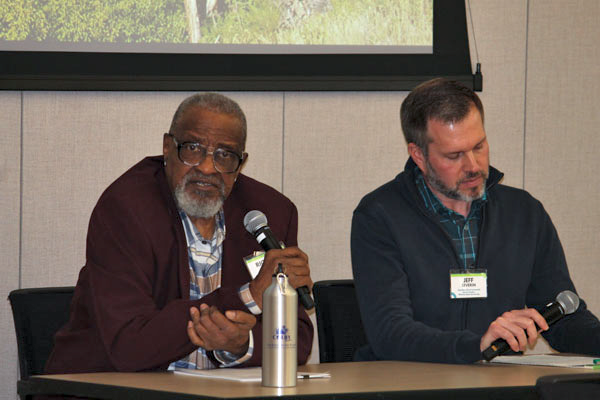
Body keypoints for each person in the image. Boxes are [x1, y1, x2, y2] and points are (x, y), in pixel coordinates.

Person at [45, 93, 313, 373]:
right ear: (167, 147)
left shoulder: (270, 212)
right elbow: (129, 346)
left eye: (225, 155)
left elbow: (299, 341)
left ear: (241, 162)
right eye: (193, 148)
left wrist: (240, 346)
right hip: (108, 388)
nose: (208, 167)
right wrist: (250, 296)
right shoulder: (127, 208)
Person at [351, 78, 600, 364]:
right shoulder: (380, 215)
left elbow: (563, 319)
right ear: (418, 155)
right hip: (407, 384)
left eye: (479, 146)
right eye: (454, 155)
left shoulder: (524, 213)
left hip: (496, 384)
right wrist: (476, 345)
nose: (473, 166)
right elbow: (390, 335)